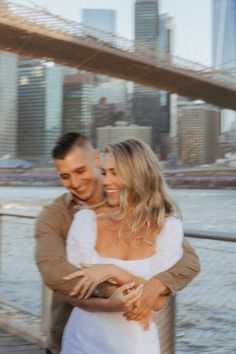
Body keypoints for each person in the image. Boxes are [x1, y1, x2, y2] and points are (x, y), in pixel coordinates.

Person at [35, 133, 200, 354]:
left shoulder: (164, 224)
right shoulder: (67, 217)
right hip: (78, 339)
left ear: (96, 160)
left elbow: (187, 262)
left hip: (136, 344)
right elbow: (55, 272)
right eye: (65, 176)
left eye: (80, 171)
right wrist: (122, 296)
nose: (74, 183)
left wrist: (122, 275)